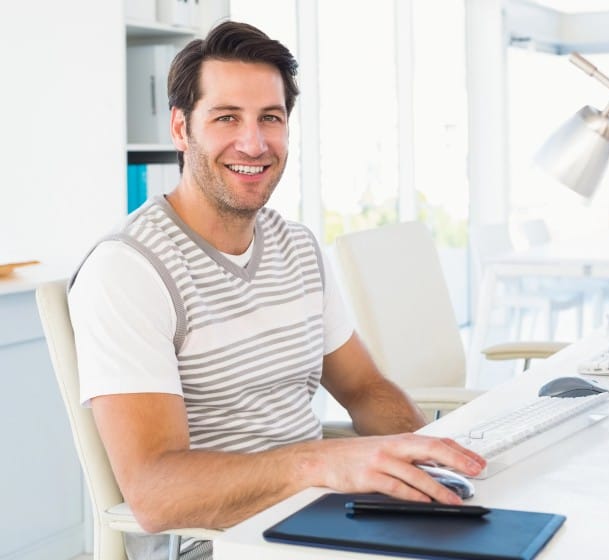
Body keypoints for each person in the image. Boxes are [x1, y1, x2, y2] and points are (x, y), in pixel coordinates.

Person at [68, 20, 485, 560]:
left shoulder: (298, 246)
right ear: (180, 127)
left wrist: (437, 468)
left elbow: (363, 391)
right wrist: (320, 464)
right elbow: (155, 493)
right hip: (220, 545)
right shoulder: (128, 270)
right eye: (226, 118)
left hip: (326, 522)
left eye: (271, 118)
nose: (254, 142)